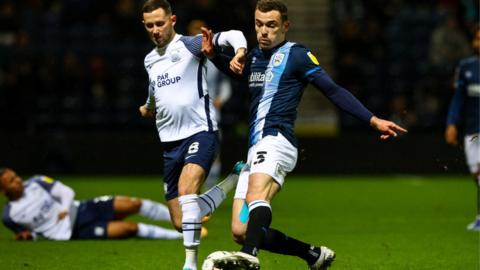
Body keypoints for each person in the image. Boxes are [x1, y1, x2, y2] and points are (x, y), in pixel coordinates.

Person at [200, 0, 407, 269]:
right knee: (241, 230)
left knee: (255, 198)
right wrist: (213, 55)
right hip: (256, 146)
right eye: (259, 25)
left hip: (277, 140)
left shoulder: (296, 54)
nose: (264, 31)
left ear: (285, 26)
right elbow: (240, 74)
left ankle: (250, 256)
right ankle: (312, 255)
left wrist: (372, 119)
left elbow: (332, 90)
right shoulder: (253, 57)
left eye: (271, 25)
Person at [138, 1, 247, 269]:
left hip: (201, 131)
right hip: (169, 144)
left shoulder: (190, 45)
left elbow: (233, 35)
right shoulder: (149, 59)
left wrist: (240, 52)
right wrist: (148, 107)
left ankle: (190, 263)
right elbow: (156, 92)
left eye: (160, 23)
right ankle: (233, 180)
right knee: (181, 220)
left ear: (172, 20)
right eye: (150, 25)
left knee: (188, 192)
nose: (155, 30)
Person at [0, 168, 183, 241]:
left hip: (81, 209)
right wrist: (27, 237)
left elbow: (66, 192)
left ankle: (180, 221)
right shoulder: (9, 216)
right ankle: (179, 237)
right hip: (75, 233)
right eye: (11, 181)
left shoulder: (37, 181)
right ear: (3, 190)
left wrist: (64, 208)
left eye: (15, 176)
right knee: (129, 228)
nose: (17, 181)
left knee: (132, 204)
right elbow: (31, 235)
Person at [187, 19, 234, 190]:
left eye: (200, 33)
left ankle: (209, 189)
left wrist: (221, 99)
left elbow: (225, 84)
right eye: (194, 32)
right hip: (190, 112)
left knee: (213, 150)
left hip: (211, 112)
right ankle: (192, 188)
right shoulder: (183, 59)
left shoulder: (213, 57)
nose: (197, 36)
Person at [445, 25, 480, 231]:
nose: (478, 42)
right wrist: (451, 123)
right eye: (477, 38)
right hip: (472, 129)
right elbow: (458, 99)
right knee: (476, 173)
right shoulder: (466, 66)